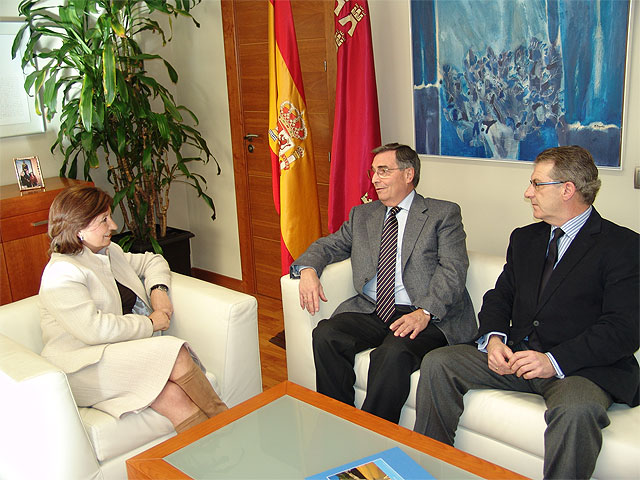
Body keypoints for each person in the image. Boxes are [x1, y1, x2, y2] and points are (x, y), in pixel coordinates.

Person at [413, 145, 639, 479]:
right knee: (439, 363)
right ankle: (428, 468)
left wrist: (553, 361)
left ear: (567, 189)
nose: (527, 192)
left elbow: (623, 328)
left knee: (576, 412)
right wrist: (492, 339)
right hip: (517, 356)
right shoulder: (525, 239)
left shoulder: (623, 246)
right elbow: (500, 296)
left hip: (579, 369)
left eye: (536, 184)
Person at [292, 143, 476, 423]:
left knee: (391, 354)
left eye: (383, 171)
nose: (374, 179)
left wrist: (425, 311)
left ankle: (372, 435)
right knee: (327, 334)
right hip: (374, 308)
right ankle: (337, 422)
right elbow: (328, 246)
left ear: (408, 174)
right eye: (373, 172)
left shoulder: (443, 214)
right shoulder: (363, 215)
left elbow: (453, 269)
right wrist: (307, 270)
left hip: (423, 313)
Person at [39, 185, 228, 433]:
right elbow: (95, 331)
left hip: (114, 356)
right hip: (79, 370)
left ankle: (213, 461)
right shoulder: (61, 274)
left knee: (172, 397)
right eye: (104, 220)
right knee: (175, 352)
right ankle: (230, 423)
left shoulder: (108, 252)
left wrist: (158, 290)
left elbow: (153, 260)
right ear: (78, 229)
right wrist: (151, 323)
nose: (114, 226)